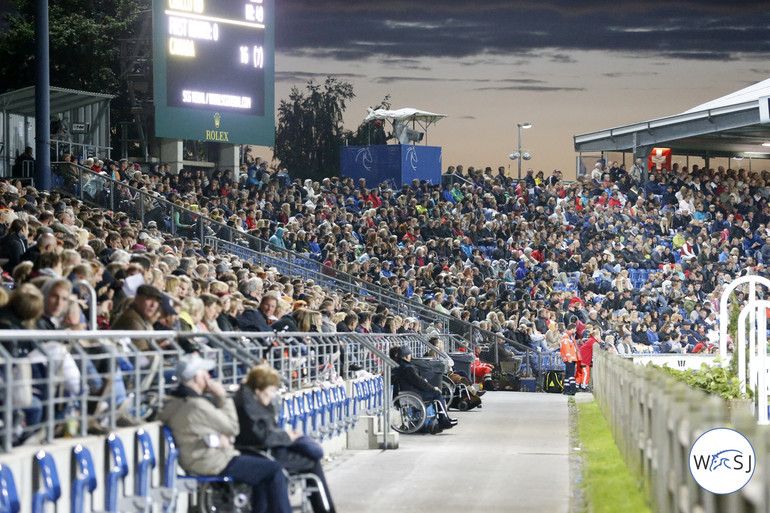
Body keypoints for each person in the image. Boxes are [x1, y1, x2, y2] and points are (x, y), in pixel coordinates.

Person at [159, 354, 292, 513]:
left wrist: (219, 438)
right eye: (205, 373)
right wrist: (222, 396)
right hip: (213, 461)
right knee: (274, 469)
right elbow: (233, 427)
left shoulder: (175, 402)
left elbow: (210, 430)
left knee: (263, 474)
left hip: (200, 458)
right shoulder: (196, 405)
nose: (209, 376)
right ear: (197, 377)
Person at [234, 365, 335, 513]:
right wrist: (288, 437)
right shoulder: (249, 407)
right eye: (271, 391)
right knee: (312, 461)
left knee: (310, 454)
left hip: (267, 449)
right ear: (258, 390)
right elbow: (261, 437)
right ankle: (326, 509)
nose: (273, 395)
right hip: (262, 453)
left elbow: (267, 432)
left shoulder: (255, 402)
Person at [391, 345, 457, 430]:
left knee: (435, 393)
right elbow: (419, 383)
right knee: (436, 394)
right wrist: (433, 388)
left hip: (407, 393)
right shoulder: (407, 368)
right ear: (407, 355)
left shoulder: (400, 366)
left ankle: (444, 419)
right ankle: (443, 420)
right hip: (412, 395)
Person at [560, 323, 579, 396]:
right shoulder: (566, 337)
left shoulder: (569, 336)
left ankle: (566, 389)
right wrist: (569, 358)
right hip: (570, 358)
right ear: (572, 328)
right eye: (575, 329)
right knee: (571, 375)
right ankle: (573, 389)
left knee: (568, 375)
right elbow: (566, 348)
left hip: (571, 358)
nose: (576, 330)